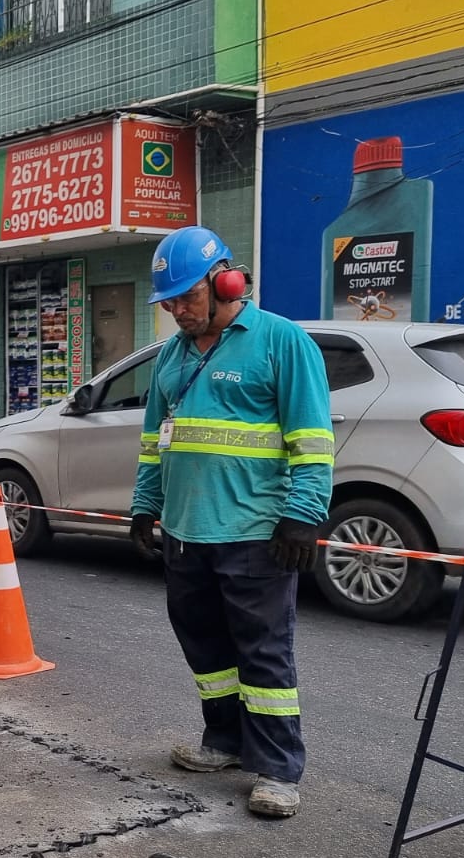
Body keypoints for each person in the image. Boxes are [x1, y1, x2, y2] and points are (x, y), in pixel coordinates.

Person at [129, 226, 334, 820]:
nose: (176, 311)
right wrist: (146, 504)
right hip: (188, 534)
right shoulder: (171, 356)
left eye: (186, 298)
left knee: (264, 655)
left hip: (254, 533)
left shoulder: (282, 343)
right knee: (207, 649)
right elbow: (154, 442)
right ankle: (223, 740)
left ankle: (277, 769)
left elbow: (313, 441)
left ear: (227, 283)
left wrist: (303, 514)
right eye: (167, 302)